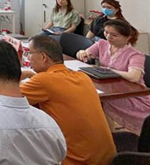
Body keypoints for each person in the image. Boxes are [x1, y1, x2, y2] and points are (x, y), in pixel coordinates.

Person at [20, 36, 116, 165]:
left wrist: (19, 76)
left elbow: (5, 97)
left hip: (77, 161)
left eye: (30, 53)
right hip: (107, 157)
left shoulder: (43, 81)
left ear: (43, 57)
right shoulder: (83, 77)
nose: (28, 58)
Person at [77, 20, 150, 135]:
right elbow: (85, 54)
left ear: (127, 37)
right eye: (106, 32)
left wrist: (108, 71)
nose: (108, 37)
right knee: (91, 97)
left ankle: (107, 134)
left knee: (98, 101)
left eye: (114, 35)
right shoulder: (102, 44)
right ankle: (103, 133)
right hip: (109, 87)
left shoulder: (135, 55)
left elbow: (134, 77)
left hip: (132, 94)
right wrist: (82, 53)